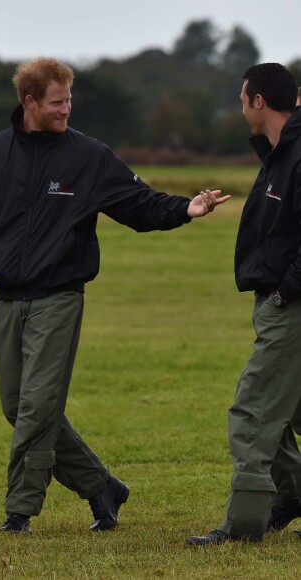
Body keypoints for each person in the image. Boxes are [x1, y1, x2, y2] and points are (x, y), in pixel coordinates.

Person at [0, 57, 229, 535]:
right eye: (58, 102)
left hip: (60, 295)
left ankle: (19, 511)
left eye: (69, 100)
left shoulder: (89, 156)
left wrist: (187, 207)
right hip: (5, 296)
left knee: (38, 405)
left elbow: (139, 204)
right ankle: (102, 485)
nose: (67, 110)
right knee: (17, 406)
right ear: (30, 102)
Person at [187, 63, 301, 546]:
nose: (239, 107)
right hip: (281, 302)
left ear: (258, 102)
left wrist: (283, 292)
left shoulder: (296, 156)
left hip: (291, 305)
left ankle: (244, 525)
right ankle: (291, 495)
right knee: (289, 411)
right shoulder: (280, 154)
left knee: (252, 411)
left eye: (242, 99)